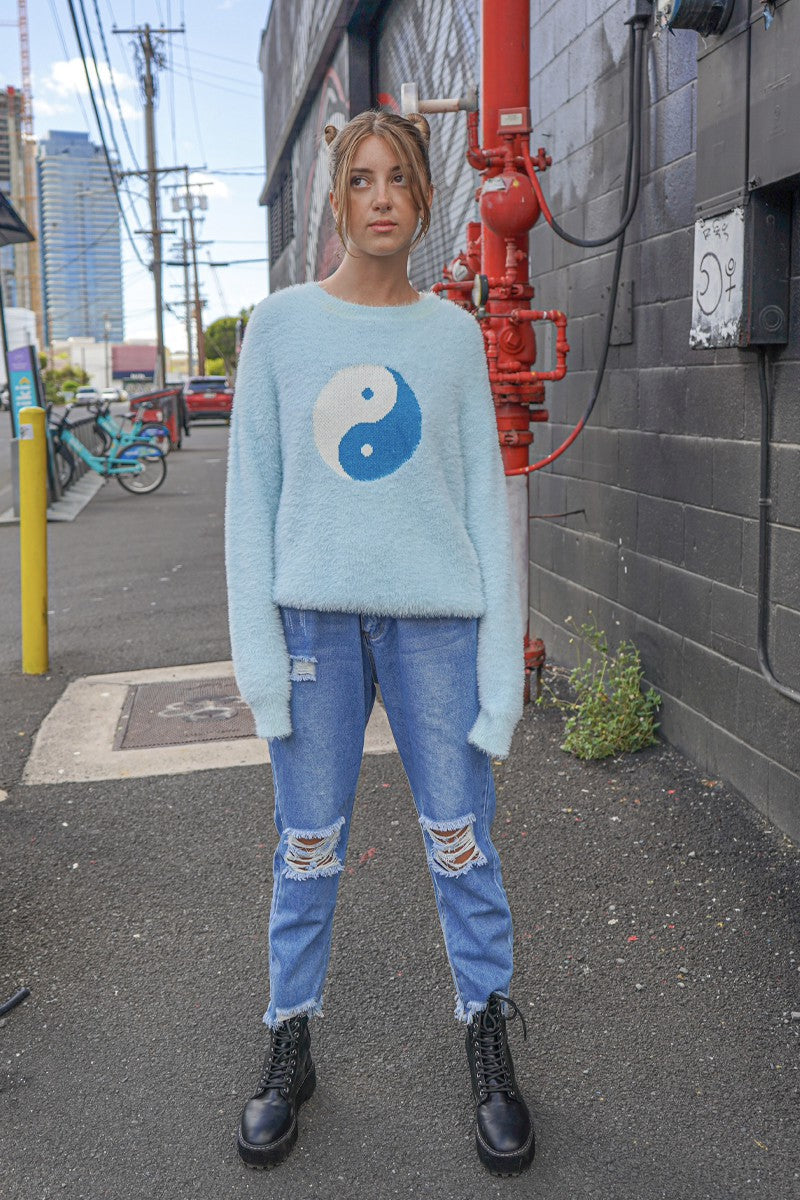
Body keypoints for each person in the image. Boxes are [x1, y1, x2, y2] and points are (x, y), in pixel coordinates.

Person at [225, 109, 533, 1176]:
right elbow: (250, 504)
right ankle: (289, 1040)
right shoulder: (279, 328)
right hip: (312, 622)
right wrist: (260, 667)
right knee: (305, 846)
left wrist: (500, 680)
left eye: (398, 177)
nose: (381, 197)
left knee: (462, 842)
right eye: (360, 179)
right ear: (335, 200)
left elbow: (486, 504)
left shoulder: (450, 338)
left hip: (436, 627)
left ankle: (487, 1034)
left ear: (425, 197)